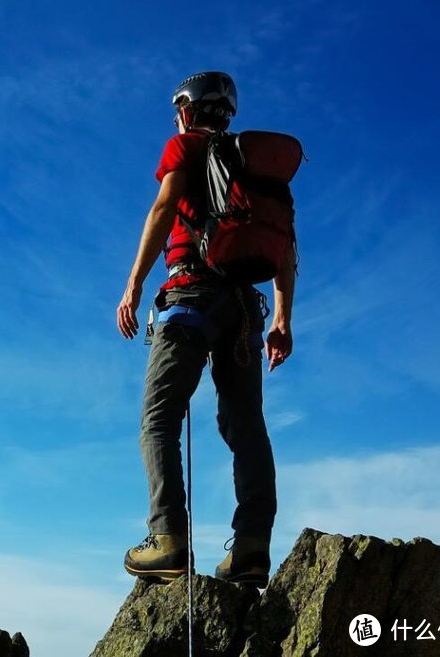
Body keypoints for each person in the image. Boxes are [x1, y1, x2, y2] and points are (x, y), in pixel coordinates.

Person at [115, 71, 296, 588]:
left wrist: (132, 285)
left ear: (189, 110)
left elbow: (164, 205)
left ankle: (167, 540)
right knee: (246, 426)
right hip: (245, 310)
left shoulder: (186, 146)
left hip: (190, 295)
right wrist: (282, 319)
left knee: (158, 419)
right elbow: (285, 248)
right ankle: (251, 550)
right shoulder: (256, 173)